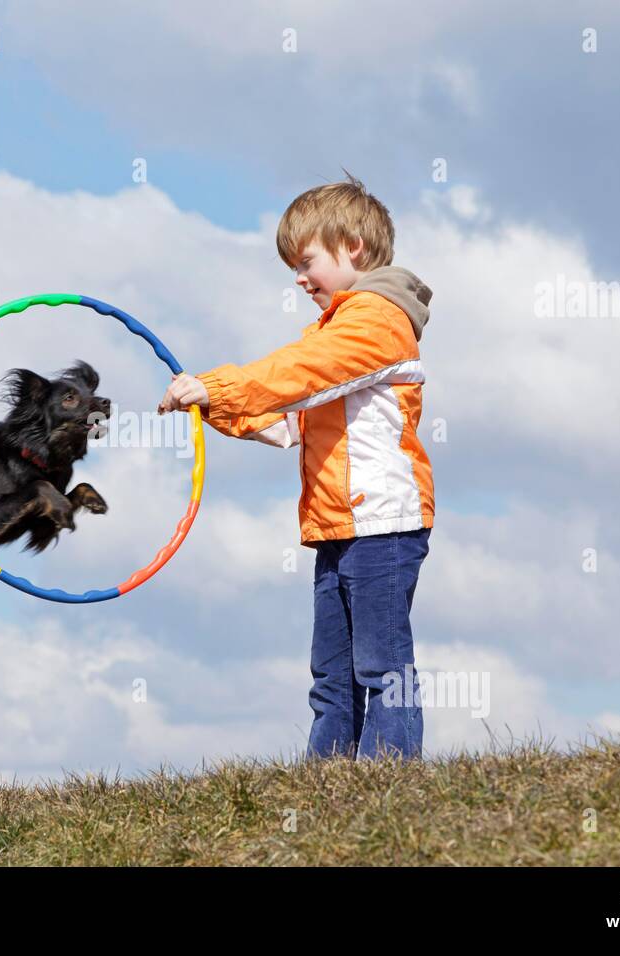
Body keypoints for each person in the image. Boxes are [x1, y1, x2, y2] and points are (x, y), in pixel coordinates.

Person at [158, 172, 434, 761]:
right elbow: (291, 420)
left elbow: (300, 372)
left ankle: (392, 779)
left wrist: (218, 386)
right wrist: (214, 406)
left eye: (306, 262)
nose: (300, 278)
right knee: (331, 672)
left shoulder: (376, 322)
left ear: (352, 248)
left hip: (381, 523)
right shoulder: (335, 332)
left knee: (381, 666)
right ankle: (326, 785)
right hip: (336, 525)